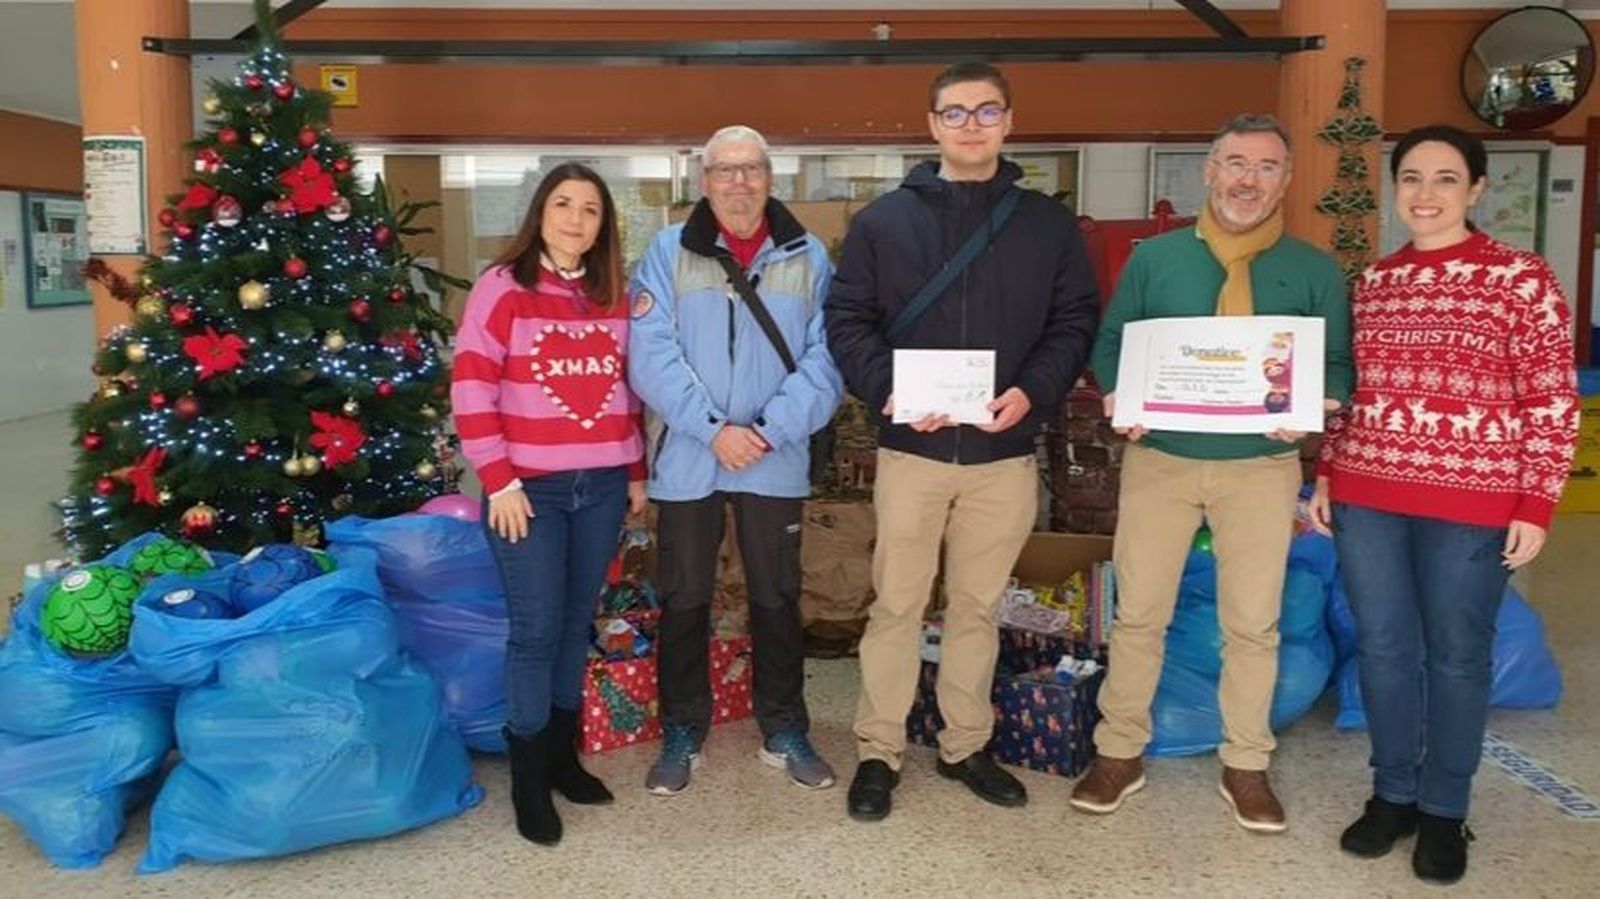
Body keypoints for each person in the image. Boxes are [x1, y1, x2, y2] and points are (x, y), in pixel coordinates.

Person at [826, 61, 1100, 822]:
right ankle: (878, 750)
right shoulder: (883, 223)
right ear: (933, 124)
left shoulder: (1047, 225)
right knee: (897, 605)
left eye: (986, 111)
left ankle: (964, 745)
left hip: (1001, 457)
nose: (971, 125)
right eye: (955, 112)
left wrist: (1033, 391)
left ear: (1009, 122)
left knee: (978, 609)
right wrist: (889, 389)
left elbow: (1074, 319)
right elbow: (846, 320)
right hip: (910, 453)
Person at [1309, 124, 1578, 885]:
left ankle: (1444, 808)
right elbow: (1352, 393)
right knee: (1383, 648)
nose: (1425, 194)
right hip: (1368, 493)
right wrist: (1327, 472)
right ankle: (1393, 792)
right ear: (1395, 189)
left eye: (1446, 178)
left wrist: (1537, 501)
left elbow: (1551, 397)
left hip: (1475, 500)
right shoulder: (1374, 283)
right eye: (1412, 178)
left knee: (1458, 654)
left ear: (1477, 189)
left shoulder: (1521, 279)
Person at [1070, 113, 1352, 834]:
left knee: (1253, 623)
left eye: (1266, 167)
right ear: (1209, 171)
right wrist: (1119, 393)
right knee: (1139, 614)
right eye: (1235, 163)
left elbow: (1337, 365)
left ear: (1285, 180)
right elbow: (1113, 340)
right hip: (1161, 460)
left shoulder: (1314, 269)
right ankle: (1118, 751)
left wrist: (1315, 404)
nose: (1248, 180)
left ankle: (1246, 763)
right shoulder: (1156, 260)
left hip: (1260, 466)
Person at [628, 125, 843, 796]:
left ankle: (784, 727)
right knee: (684, 596)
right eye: (725, 170)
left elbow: (828, 359)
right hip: (690, 457)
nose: (739, 182)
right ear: (705, 181)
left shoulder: (808, 257)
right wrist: (714, 429)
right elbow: (649, 356)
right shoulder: (667, 252)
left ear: (770, 177)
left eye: (751, 168)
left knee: (776, 597)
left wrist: (768, 432)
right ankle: (682, 729)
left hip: (774, 458)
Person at [451, 163, 648, 846]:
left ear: (603, 226)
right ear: (540, 213)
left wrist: (636, 471)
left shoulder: (613, 295)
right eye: (563, 204)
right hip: (527, 491)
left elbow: (627, 390)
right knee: (535, 632)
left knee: (573, 623)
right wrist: (499, 480)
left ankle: (563, 758)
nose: (575, 219)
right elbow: (471, 386)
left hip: (602, 484)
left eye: (591, 209)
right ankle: (529, 779)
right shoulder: (503, 288)